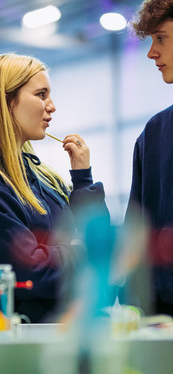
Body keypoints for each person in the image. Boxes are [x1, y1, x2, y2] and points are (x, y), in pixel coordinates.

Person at [0, 53, 107, 323]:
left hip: (66, 328)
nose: (51, 106)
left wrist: (83, 179)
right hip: (23, 337)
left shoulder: (40, 175)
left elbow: (99, 240)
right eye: (41, 94)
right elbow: (30, 271)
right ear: (6, 102)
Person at [128, 0, 173, 316]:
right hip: (160, 319)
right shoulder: (153, 134)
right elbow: (136, 231)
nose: (151, 53)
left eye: (162, 38)